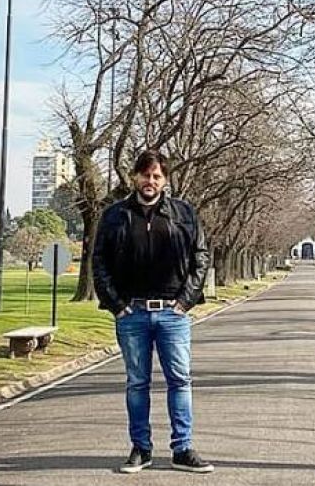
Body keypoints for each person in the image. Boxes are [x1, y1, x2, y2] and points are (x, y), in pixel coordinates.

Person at [93, 150, 214, 474]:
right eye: (146, 175)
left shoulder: (183, 213)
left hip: (173, 313)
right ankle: (141, 448)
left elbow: (201, 256)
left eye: (157, 176)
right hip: (132, 313)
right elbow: (99, 262)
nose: (151, 181)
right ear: (135, 177)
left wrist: (185, 301)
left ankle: (182, 448)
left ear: (165, 180)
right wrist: (117, 305)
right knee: (137, 383)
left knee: (180, 381)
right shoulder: (115, 215)